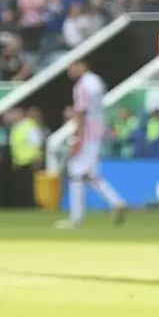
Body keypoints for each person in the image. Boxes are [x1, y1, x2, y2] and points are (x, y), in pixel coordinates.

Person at [56, 59, 128, 229]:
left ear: (82, 65)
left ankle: (76, 219)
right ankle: (116, 202)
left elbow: (81, 113)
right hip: (97, 132)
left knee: (76, 174)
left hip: (87, 135)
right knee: (91, 175)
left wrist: (76, 138)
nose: (70, 70)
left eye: (72, 66)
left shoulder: (82, 86)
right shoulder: (96, 82)